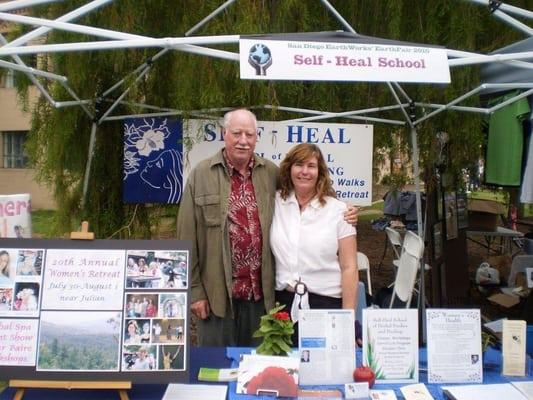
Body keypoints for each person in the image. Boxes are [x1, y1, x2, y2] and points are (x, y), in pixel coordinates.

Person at [177, 108, 358, 347]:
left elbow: (308, 188)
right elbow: (185, 237)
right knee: (216, 367)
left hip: (262, 300)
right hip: (217, 297)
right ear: (224, 134)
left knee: (259, 367)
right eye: (237, 133)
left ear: (256, 137)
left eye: (249, 135)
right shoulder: (201, 175)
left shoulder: (270, 173)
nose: (243, 141)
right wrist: (196, 292)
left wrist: (344, 210)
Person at [271, 143, 358, 344]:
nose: (304, 171)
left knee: (323, 371)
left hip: (325, 304)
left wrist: (348, 320)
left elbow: (349, 267)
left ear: (320, 172)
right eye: (299, 164)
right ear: (288, 169)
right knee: (286, 371)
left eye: (311, 166)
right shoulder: (274, 203)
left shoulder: (339, 212)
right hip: (282, 305)